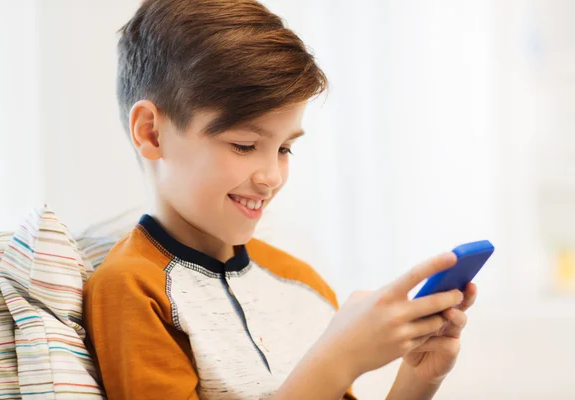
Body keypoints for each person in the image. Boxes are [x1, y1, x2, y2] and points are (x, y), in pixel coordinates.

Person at [82, 1, 477, 398]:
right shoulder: (131, 289)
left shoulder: (302, 282)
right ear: (151, 133)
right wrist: (338, 359)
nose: (271, 177)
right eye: (244, 145)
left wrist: (419, 380)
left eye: (285, 148)